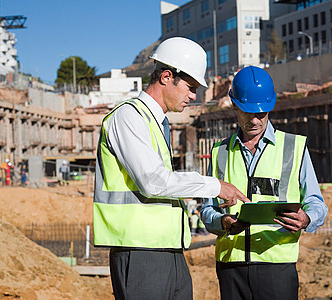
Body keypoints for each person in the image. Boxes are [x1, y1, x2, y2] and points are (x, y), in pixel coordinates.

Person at [93, 37, 249, 300]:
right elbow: (153, 182)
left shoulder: (156, 123)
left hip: (168, 250)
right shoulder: (128, 116)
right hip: (140, 251)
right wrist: (215, 186)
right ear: (166, 76)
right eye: (190, 87)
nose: (193, 96)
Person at [201, 66, 328, 300]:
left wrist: (307, 218)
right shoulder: (220, 152)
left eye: (262, 113)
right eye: (248, 112)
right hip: (232, 268)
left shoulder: (293, 147)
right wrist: (222, 221)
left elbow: (315, 202)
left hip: (277, 265)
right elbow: (207, 209)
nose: (255, 120)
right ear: (234, 105)